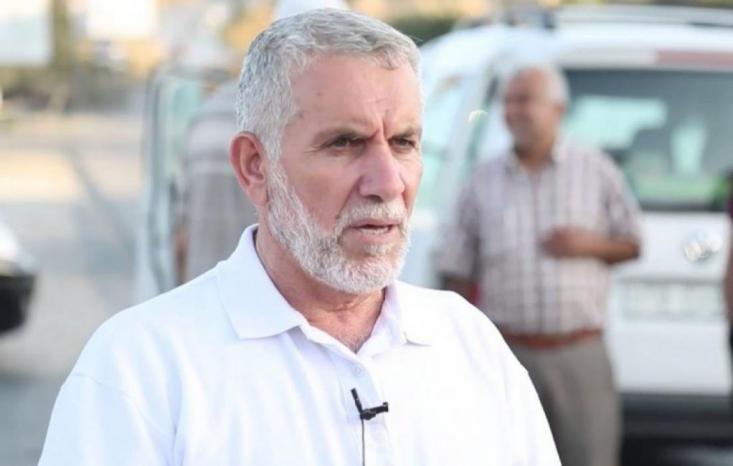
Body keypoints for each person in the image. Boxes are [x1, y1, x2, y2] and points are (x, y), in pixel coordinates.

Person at [39, 10, 559, 465]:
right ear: (255, 165)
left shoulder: (469, 344)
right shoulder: (141, 367)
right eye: (345, 143)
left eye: (404, 142)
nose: (388, 182)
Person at [436, 64, 642, 466]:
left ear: (557, 109)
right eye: (508, 101)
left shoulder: (595, 168)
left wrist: (589, 244)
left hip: (579, 353)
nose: (513, 111)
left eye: (525, 100)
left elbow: (634, 242)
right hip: (506, 352)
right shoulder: (482, 179)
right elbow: (456, 268)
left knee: (589, 457)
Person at [174, 82, 258, 283]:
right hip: (257, 284)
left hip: (202, 283)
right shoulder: (279, 113)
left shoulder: (204, 116)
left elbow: (181, 236)